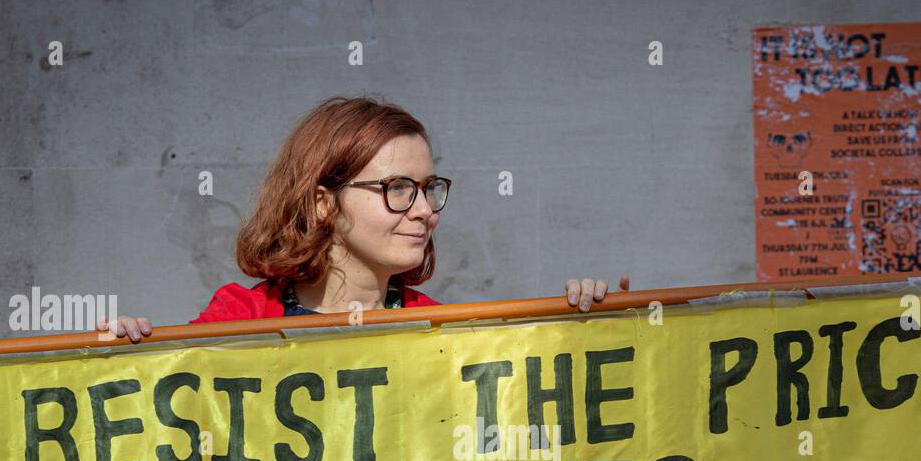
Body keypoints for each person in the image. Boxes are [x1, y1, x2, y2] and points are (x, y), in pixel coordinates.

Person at [100, 95, 628, 342]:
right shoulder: (237, 319)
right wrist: (114, 358)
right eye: (397, 189)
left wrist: (594, 336)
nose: (424, 211)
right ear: (324, 201)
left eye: (428, 190)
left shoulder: (444, 332)